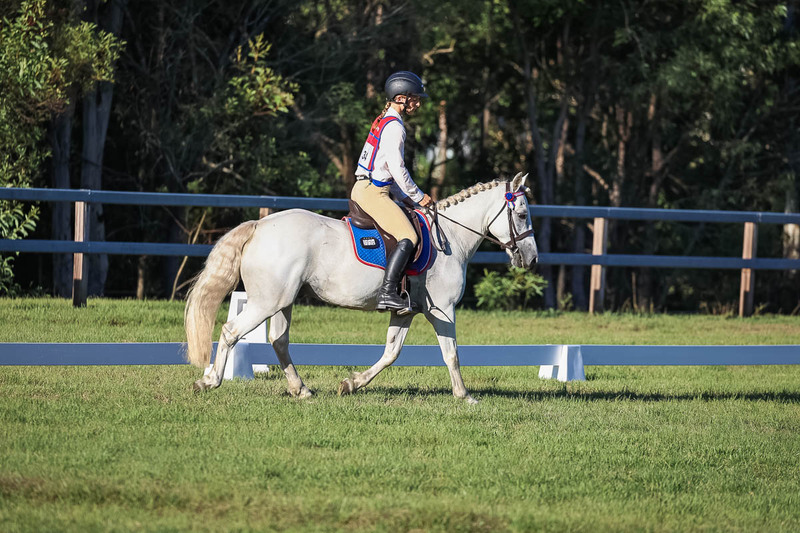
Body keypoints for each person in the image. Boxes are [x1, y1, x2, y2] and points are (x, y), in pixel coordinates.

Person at [351, 71, 433, 313]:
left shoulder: (384, 120)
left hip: (369, 187)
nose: (417, 103)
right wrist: (419, 196)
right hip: (372, 192)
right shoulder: (395, 126)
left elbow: (385, 170)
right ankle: (387, 293)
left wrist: (406, 199)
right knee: (409, 236)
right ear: (400, 98)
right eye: (414, 98)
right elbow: (397, 169)